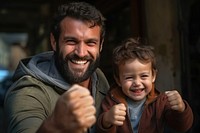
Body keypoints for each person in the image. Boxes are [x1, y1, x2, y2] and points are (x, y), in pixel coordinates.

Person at [4, 2, 110, 133]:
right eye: (71, 41)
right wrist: (54, 126)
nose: (81, 53)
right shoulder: (28, 92)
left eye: (90, 43)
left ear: (100, 45)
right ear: (54, 42)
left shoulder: (98, 76)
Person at [97, 38, 193, 133]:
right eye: (129, 78)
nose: (137, 83)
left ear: (153, 76)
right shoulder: (112, 100)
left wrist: (181, 109)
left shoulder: (161, 102)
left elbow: (182, 127)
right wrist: (106, 120)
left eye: (143, 76)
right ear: (118, 80)